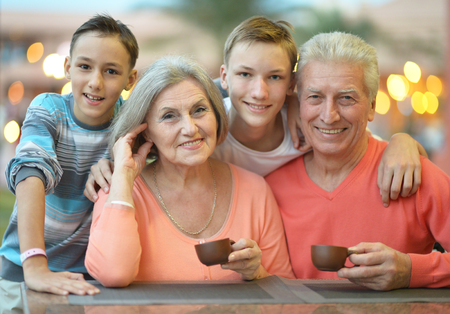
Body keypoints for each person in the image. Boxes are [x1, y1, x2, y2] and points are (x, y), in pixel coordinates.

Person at [84, 16, 426, 208]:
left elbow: (373, 148)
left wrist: (403, 140)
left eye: (274, 77)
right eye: (245, 75)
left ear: (292, 84)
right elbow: (156, 154)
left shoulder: (312, 129)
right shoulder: (203, 131)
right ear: (224, 77)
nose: (259, 92)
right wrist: (108, 166)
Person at [84, 55, 294, 287]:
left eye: (199, 110)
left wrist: (257, 272)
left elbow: (285, 291)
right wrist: (122, 178)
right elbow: (113, 275)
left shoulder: (255, 190)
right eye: (169, 116)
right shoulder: (118, 190)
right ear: (145, 131)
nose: (190, 128)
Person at [265, 31, 450, 290]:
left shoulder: (412, 173)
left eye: (346, 98)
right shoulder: (270, 188)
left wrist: (411, 271)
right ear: (299, 102)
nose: (329, 116)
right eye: (315, 97)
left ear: (372, 105)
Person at [0, 13, 138, 310]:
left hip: (91, 275)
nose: (95, 82)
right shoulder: (48, 109)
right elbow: (30, 172)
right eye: (85, 67)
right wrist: (35, 264)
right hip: (22, 267)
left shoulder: (131, 121)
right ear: (67, 68)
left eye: (111, 71)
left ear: (131, 79)